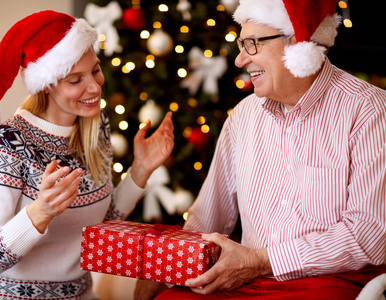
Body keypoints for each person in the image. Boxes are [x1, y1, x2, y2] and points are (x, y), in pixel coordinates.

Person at [135, 0, 386, 299]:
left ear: (297, 42)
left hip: (329, 282)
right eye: (242, 44)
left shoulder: (369, 110)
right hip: (247, 283)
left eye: (252, 44)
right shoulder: (243, 116)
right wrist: (166, 269)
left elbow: (369, 235)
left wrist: (259, 262)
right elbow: (207, 219)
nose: (240, 60)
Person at [0, 10, 174, 300]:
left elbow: (99, 224)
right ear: (47, 84)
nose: (94, 86)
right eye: (75, 80)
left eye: (95, 70)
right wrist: (40, 213)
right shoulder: (9, 142)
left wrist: (140, 170)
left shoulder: (95, 126)